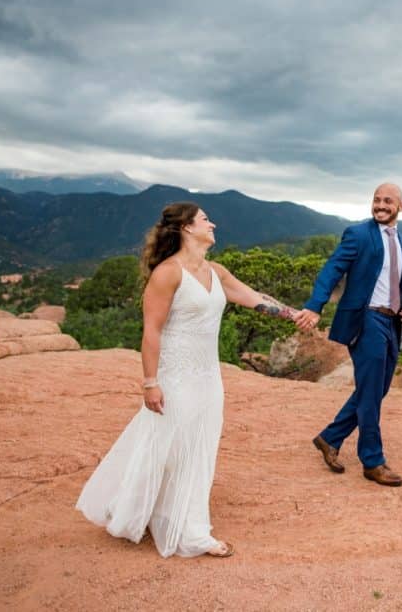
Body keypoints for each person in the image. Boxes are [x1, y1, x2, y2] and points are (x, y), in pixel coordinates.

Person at [76, 202, 302, 558]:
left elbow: (253, 298)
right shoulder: (168, 273)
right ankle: (191, 532)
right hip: (175, 373)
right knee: (167, 443)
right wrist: (150, 382)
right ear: (186, 228)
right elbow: (151, 331)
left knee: (199, 446)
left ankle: (165, 512)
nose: (212, 224)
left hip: (208, 375)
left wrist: (293, 314)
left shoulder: (216, 271)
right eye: (205, 220)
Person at [297, 183, 402, 486]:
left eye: (387, 201)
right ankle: (372, 461)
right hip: (365, 320)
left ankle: (330, 437)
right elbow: (332, 270)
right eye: (376, 200)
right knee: (371, 390)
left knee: (376, 389)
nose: (380, 205)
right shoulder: (358, 234)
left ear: (400, 207)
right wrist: (315, 307)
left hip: (393, 323)